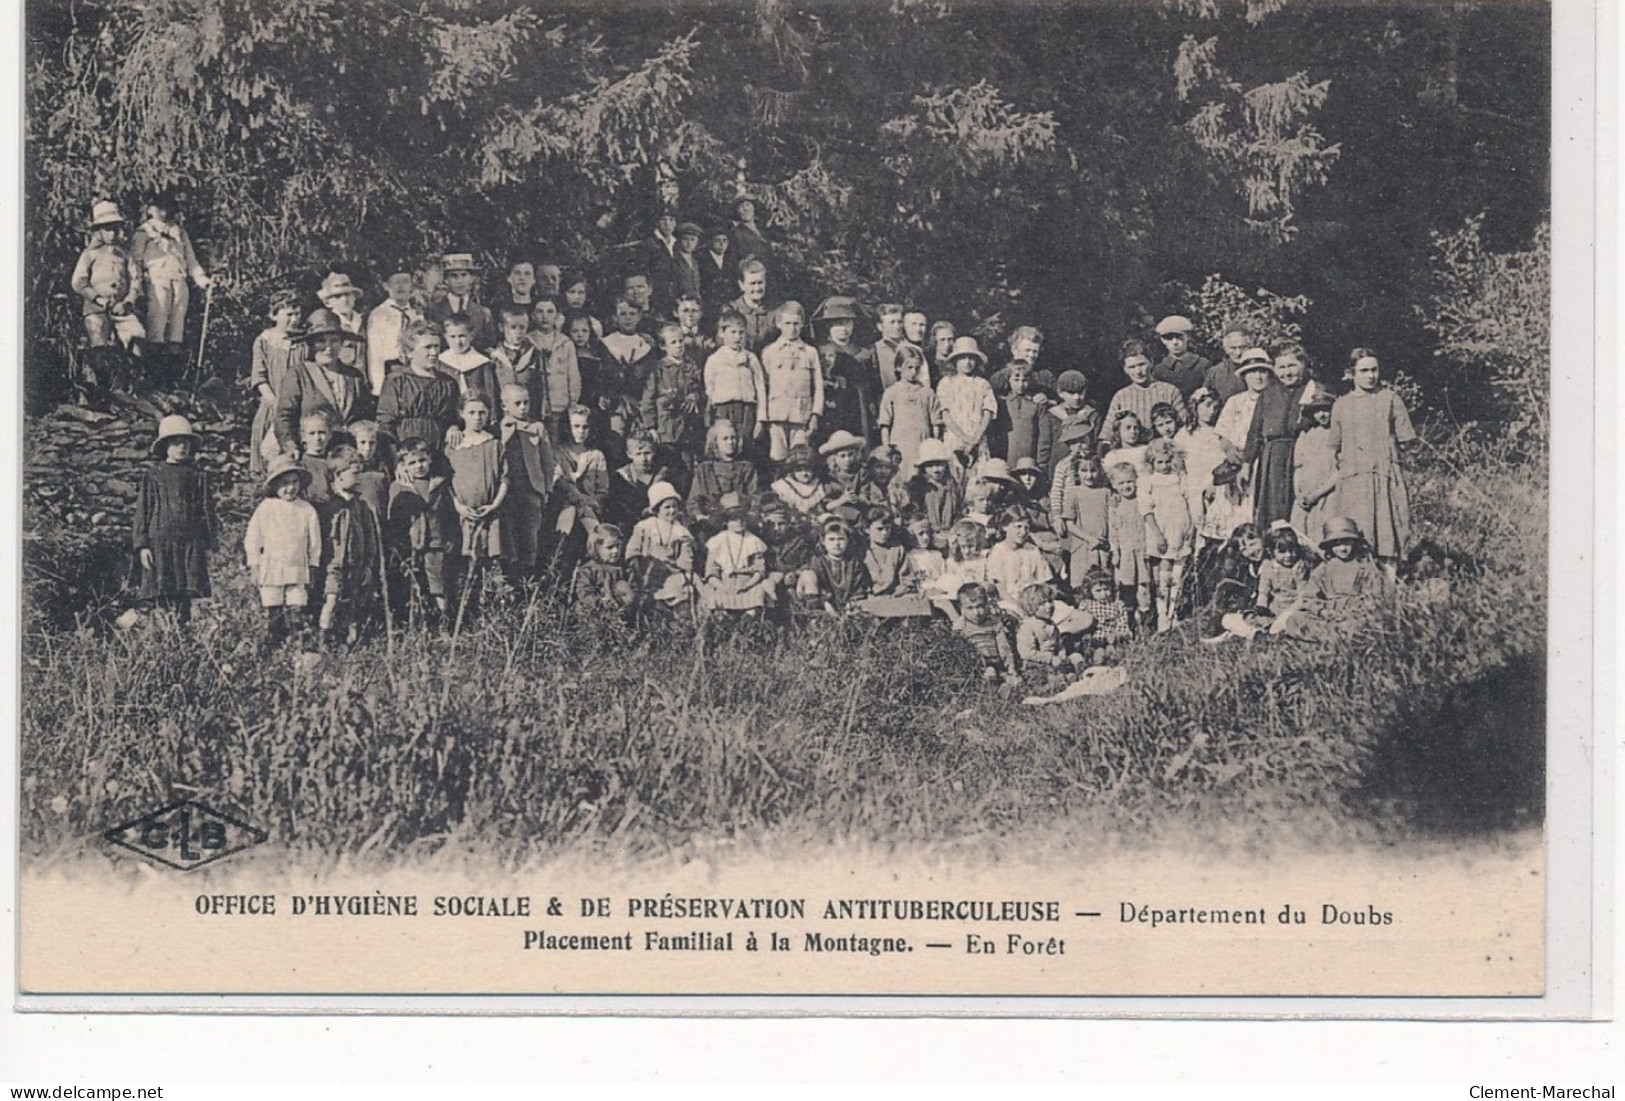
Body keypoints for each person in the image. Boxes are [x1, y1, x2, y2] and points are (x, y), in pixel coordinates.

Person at [1329, 347, 1417, 569]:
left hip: (1385, 475)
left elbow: (1407, 439)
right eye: (1364, 370)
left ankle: (1389, 587)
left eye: (1374, 370)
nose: (1370, 376)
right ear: (1352, 373)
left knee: (1389, 528)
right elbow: (1334, 446)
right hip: (1354, 480)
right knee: (1357, 529)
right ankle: (1361, 583)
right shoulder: (1341, 405)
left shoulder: (1390, 399)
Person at [129, 414, 216, 624]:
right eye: (176, 443)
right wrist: (142, 546)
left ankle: (183, 635)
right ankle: (163, 636)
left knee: (186, 592)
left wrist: (209, 543)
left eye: (185, 442)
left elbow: (207, 511)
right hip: (160, 542)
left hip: (190, 542)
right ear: (165, 446)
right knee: (162, 591)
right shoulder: (153, 475)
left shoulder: (198, 476)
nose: (181, 447)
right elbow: (143, 511)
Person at [244, 452, 323, 649]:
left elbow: (315, 542)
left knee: (297, 609)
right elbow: (253, 538)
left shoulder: (306, 509)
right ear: (275, 485)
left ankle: (298, 646)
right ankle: (273, 646)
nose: (290, 488)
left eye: (294, 482)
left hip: (297, 568)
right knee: (273, 609)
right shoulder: (267, 508)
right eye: (284, 483)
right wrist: (254, 564)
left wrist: (313, 566)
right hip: (272, 568)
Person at [129, 193, 211, 379]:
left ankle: (172, 379)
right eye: (159, 207)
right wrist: (137, 287)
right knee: (156, 326)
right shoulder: (144, 232)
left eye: (166, 207)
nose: (163, 212)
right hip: (157, 281)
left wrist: (202, 280)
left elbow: (190, 260)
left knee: (177, 328)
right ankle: (154, 378)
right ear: (151, 209)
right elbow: (135, 261)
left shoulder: (179, 232)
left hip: (179, 281)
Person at [1274, 516, 1389, 642]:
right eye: (1337, 544)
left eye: (1347, 542)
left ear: (1354, 542)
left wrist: (1353, 614)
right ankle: (1336, 636)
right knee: (1294, 620)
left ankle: (1336, 636)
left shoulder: (1366, 568)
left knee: (1365, 625)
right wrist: (1322, 611)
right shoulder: (1322, 570)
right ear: (1329, 545)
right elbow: (1309, 598)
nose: (1343, 548)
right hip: (1327, 617)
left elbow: (1375, 598)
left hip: (1354, 617)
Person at [446, 392, 508, 613]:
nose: (477, 417)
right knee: (465, 561)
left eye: (482, 412)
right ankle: (465, 610)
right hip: (463, 514)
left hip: (490, 513)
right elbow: (448, 483)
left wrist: (494, 505)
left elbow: (504, 479)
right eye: (471, 412)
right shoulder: (454, 445)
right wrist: (458, 506)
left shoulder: (494, 444)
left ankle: (494, 609)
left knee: (491, 560)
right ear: (461, 414)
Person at [70, 200, 143, 389]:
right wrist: (97, 298)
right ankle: (103, 389)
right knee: (99, 343)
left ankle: (130, 386)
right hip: (96, 308)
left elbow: (136, 280)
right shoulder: (90, 254)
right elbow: (78, 282)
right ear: (99, 231)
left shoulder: (125, 254)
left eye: (115, 229)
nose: (112, 234)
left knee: (136, 336)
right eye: (107, 229)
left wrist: (127, 302)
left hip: (121, 308)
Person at [276, 308, 371, 450]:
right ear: (311, 344)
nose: (328, 347)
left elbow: (366, 415)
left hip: (348, 453)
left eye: (334, 341)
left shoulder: (354, 376)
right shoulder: (299, 374)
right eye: (321, 341)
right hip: (314, 451)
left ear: (342, 343)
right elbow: (284, 417)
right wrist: (289, 444)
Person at [1241, 344, 1315, 528]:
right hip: (1272, 459)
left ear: (1303, 365)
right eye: (1281, 367)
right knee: (1274, 510)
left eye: (1292, 366)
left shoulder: (1313, 390)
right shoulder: (1268, 394)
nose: (1287, 372)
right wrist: (1246, 464)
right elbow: (1255, 432)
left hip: (1302, 454)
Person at [387, 438, 456, 625]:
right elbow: (394, 520)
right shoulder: (398, 487)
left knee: (438, 584)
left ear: (430, 459)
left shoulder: (440, 485)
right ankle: (418, 624)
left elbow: (449, 514)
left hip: (436, 543)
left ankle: (443, 624)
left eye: (422, 460)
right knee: (413, 584)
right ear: (403, 465)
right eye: (412, 462)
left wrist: (449, 538)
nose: (419, 466)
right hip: (411, 545)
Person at [320, 446, 385, 647]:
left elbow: (370, 537)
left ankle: (351, 645)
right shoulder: (328, 507)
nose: (359, 478)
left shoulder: (361, 506)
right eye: (354, 473)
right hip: (334, 566)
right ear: (339, 475)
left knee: (355, 604)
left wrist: (368, 565)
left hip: (357, 564)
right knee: (331, 600)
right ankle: (324, 640)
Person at [1139, 438, 1203, 632]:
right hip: (1161, 530)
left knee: (1179, 572)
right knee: (1163, 572)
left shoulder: (1179, 477)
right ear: (1151, 463)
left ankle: (1173, 612)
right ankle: (1161, 614)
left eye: (1167, 461)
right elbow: (1145, 510)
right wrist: (1157, 534)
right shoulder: (1147, 481)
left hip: (1180, 528)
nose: (1164, 465)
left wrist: (1192, 526)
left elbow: (1191, 501)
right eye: (1159, 462)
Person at [498, 383, 558, 582]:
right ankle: (509, 580)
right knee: (508, 536)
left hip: (531, 489)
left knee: (530, 536)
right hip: (507, 492)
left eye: (526, 402)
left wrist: (546, 489)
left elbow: (548, 461)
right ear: (504, 406)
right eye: (518, 403)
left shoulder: (537, 427)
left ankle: (528, 580)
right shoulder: (498, 427)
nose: (524, 407)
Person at [377, 320, 459, 457]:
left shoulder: (448, 383)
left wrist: (454, 427)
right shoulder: (397, 380)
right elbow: (386, 423)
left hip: (438, 450)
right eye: (427, 347)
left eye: (437, 346)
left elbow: (454, 417)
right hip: (406, 451)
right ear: (409, 352)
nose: (434, 352)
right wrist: (397, 461)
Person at [759, 301, 824, 462]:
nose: (792, 328)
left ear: (802, 324)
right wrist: (763, 417)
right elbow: (763, 386)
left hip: (801, 414)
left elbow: (818, 387)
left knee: (800, 458)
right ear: (779, 324)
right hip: (776, 414)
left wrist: (815, 414)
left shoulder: (810, 352)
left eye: (796, 323)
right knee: (777, 457)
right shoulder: (769, 351)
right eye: (787, 323)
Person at [247, 289, 304, 474]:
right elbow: (259, 377)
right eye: (289, 314)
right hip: (272, 404)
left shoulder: (304, 342)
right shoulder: (264, 341)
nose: (294, 319)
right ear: (274, 315)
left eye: (297, 314)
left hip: (298, 406)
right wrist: (277, 404)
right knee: (268, 453)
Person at [625, 481, 698, 616]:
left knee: (680, 589)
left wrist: (684, 570)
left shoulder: (680, 531)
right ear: (657, 509)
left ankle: (679, 619)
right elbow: (633, 549)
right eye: (667, 507)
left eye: (675, 507)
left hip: (671, 571)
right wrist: (635, 565)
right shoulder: (645, 527)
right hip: (647, 570)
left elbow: (685, 555)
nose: (672, 511)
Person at [1053, 422, 1111, 588]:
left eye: (1082, 440)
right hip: (1073, 516)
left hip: (1094, 515)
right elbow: (1057, 492)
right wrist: (1057, 516)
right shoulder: (1064, 465)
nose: (1079, 446)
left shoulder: (1098, 463)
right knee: (1076, 561)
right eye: (1073, 442)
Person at [703, 308, 768, 455]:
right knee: (724, 446)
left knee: (745, 446)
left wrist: (760, 419)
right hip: (722, 409)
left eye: (741, 332)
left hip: (746, 410)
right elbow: (710, 389)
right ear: (722, 333)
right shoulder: (714, 360)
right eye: (733, 332)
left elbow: (760, 388)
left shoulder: (751, 358)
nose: (737, 337)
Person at [812, 296, 875, 444]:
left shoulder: (864, 353)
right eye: (838, 324)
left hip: (857, 409)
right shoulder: (821, 352)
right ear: (829, 326)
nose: (844, 329)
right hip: (831, 410)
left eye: (848, 323)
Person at [641, 322, 706, 464]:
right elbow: (648, 400)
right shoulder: (658, 369)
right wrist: (651, 427)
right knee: (669, 465)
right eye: (673, 342)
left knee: (689, 465)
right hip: (667, 430)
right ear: (663, 346)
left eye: (681, 341)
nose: (679, 345)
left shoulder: (691, 366)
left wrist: (695, 395)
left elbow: (702, 389)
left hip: (689, 429)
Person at [702, 492, 777, 615]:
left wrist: (747, 585)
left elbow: (760, 569)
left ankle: (747, 628)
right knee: (717, 604)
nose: (739, 522)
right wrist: (721, 586)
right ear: (725, 521)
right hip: (724, 583)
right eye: (733, 519)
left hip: (748, 583)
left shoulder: (753, 541)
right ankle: (725, 628)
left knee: (754, 604)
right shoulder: (717, 541)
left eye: (742, 518)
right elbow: (711, 571)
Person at [876, 343, 941, 479]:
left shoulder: (927, 393)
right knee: (902, 477)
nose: (913, 372)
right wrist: (887, 449)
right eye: (909, 367)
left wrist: (934, 446)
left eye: (917, 368)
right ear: (899, 367)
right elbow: (884, 424)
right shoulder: (892, 392)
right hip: (900, 446)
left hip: (922, 444)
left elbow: (936, 423)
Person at [687, 419, 760, 534]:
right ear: (716, 442)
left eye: (733, 438)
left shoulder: (746, 468)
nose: (730, 442)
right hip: (711, 525)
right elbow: (693, 501)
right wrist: (700, 516)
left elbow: (755, 497)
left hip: (740, 523)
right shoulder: (705, 469)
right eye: (725, 438)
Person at [1105, 339, 1188, 435]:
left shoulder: (1170, 391)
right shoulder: (1120, 396)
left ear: (1151, 362)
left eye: (1141, 364)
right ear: (1125, 369)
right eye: (1132, 367)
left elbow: (1184, 427)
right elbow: (1107, 432)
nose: (1138, 371)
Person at [937, 336, 997, 464]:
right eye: (962, 358)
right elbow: (945, 414)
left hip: (977, 439)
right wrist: (964, 438)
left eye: (971, 358)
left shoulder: (982, 384)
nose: (967, 362)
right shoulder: (946, 383)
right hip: (954, 438)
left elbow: (988, 413)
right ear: (955, 360)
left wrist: (975, 439)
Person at [529, 296, 582, 442]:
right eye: (540, 311)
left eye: (550, 311)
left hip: (560, 406)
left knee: (556, 442)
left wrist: (572, 403)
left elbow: (573, 376)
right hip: (535, 406)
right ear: (533, 316)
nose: (545, 316)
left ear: (557, 316)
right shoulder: (528, 341)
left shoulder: (565, 343)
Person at [1105, 461, 1151, 626]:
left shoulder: (1142, 500)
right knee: (1126, 588)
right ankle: (1128, 622)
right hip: (1125, 553)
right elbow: (1113, 530)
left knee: (1143, 589)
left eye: (1130, 481)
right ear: (1114, 485)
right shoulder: (1115, 505)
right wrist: (1115, 551)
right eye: (1121, 483)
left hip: (1142, 550)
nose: (1126, 486)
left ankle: (1146, 624)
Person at [984, 506, 1053, 615]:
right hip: (1009, 601)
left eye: (1027, 528)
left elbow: (1043, 581)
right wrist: (1017, 607)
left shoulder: (1033, 550)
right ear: (1005, 527)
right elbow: (1000, 588)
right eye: (1018, 527)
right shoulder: (998, 551)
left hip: (1035, 602)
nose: (1023, 532)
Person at [796, 516, 871, 615]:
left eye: (841, 539)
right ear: (823, 541)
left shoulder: (853, 563)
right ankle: (815, 619)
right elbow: (816, 585)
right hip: (824, 605)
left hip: (848, 606)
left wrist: (852, 603)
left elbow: (858, 588)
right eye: (831, 539)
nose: (836, 543)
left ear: (848, 540)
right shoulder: (818, 561)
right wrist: (825, 602)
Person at [365, 266, 421, 397]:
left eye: (405, 281)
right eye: (396, 282)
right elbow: (374, 352)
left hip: (414, 369)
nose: (401, 286)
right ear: (386, 286)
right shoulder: (379, 314)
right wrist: (378, 386)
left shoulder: (416, 314)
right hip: (390, 368)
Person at [1292, 386, 1339, 542]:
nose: (1322, 415)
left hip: (1328, 496)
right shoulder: (1306, 435)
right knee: (1302, 534)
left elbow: (1339, 472)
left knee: (1324, 533)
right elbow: (1298, 467)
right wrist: (1298, 493)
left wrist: (1316, 495)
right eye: (1317, 411)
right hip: (1304, 497)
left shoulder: (1339, 436)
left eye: (1326, 410)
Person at [953, 582, 1019, 686]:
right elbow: (958, 652)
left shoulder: (994, 622)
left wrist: (1011, 668)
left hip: (996, 661)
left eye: (980, 606)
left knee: (1015, 681)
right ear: (961, 607)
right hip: (975, 664)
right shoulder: (960, 626)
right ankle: (992, 688)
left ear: (986, 603)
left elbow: (1004, 647)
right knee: (989, 674)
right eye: (970, 608)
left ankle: (1005, 686)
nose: (976, 612)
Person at [1015, 583, 1087, 678]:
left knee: (1076, 656)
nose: (1049, 606)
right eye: (1042, 604)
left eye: (1050, 601)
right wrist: (1049, 658)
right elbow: (1026, 653)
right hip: (1036, 662)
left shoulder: (1052, 623)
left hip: (1055, 659)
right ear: (1031, 607)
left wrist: (1062, 653)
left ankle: (1078, 673)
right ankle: (1061, 678)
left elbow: (1059, 644)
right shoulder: (1028, 626)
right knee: (1046, 673)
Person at [573, 523, 640, 624]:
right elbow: (584, 592)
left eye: (618, 546)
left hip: (622, 611)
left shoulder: (624, 568)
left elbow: (634, 586)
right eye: (610, 547)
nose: (616, 551)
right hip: (597, 614)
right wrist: (602, 601)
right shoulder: (589, 569)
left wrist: (629, 596)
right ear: (597, 548)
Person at [426, 253, 495, 349]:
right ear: (446, 280)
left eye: (464, 275)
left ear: (471, 278)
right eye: (454, 276)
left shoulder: (483, 313)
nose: (460, 281)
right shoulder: (433, 310)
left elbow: (490, 345)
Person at [1035, 371, 1095, 480]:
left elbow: (1095, 444)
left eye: (1081, 392)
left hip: (1086, 471)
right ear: (1060, 393)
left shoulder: (1092, 414)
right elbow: (1044, 446)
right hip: (1057, 469)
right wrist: (1044, 471)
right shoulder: (1051, 415)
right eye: (1071, 393)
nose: (1077, 397)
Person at [903, 438, 963, 542]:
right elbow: (916, 513)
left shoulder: (951, 486)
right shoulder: (919, 487)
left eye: (939, 464)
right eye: (930, 465)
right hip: (926, 534)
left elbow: (957, 511)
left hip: (949, 532)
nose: (936, 469)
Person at [1073, 567, 1132, 666]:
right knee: (1097, 654)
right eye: (1098, 590)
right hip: (1094, 641)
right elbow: (1080, 625)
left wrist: (1118, 635)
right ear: (1089, 591)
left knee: (1113, 652)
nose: (1104, 594)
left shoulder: (1117, 605)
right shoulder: (1086, 604)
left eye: (1106, 589)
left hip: (1112, 640)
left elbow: (1123, 625)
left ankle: (1112, 662)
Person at [994, 359, 1046, 465]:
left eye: (1025, 380)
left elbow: (1042, 435)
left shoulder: (1036, 403)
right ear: (1008, 379)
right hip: (1007, 456)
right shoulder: (1002, 403)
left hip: (1029, 457)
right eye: (1016, 380)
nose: (1021, 384)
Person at [439, 314, 499, 404]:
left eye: (462, 336)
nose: (457, 342)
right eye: (452, 336)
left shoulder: (482, 362)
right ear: (445, 337)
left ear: (471, 335)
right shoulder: (440, 362)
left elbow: (491, 395)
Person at [316, 271, 368, 374]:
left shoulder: (365, 321)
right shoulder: (326, 324)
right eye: (338, 296)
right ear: (327, 302)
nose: (344, 300)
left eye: (347, 294)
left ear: (354, 297)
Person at [1151, 315, 1210, 399]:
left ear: (1188, 337)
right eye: (1169, 338)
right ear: (1163, 340)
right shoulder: (1159, 370)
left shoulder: (1203, 365)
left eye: (1179, 337)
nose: (1175, 342)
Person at [989, 326, 1054, 398]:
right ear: (1014, 350)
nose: (1031, 355)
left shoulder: (1044, 377)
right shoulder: (1000, 378)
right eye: (1027, 350)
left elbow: (1061, 401)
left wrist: (1047, 401)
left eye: (1035, 351)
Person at [727, 258, 776, 351]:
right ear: (741, 285)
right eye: (752, 284)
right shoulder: (731, 311)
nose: (757, 288)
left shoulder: (774, 311)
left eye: (760, 283)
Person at [770, 443, 828, 516]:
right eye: (799, 469)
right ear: (792, 469)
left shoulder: (818, 486)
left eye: (808, 469)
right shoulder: (783, 486)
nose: (804, 473)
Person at [1203, 324, 1253, 404]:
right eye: (1233, 348)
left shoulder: (1259, 370)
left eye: (1242, 347)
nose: (1238, 353)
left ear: (1249, 347)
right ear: (1226, 349)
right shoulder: (1216, 372)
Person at [698, 226, 735, 315]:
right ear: (710, 242)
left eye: (724, 240)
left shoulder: (730, 260)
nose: (722, 244)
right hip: (709, 306)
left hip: (727, 305)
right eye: (718, 240)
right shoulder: (701, 259)